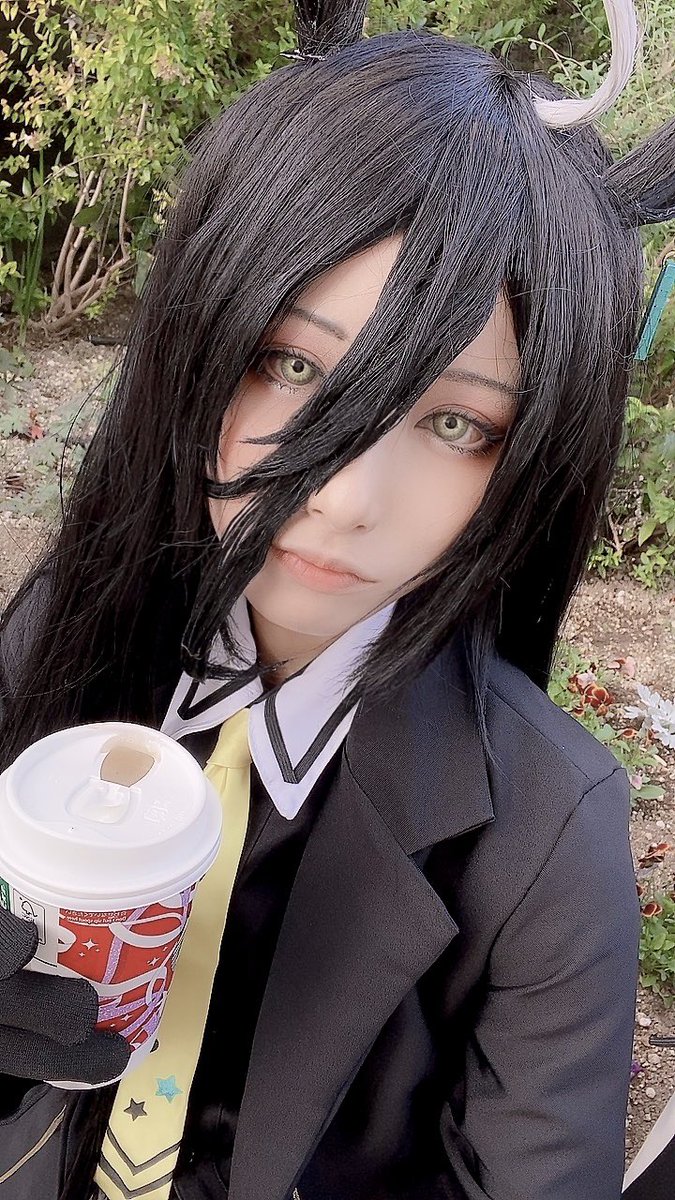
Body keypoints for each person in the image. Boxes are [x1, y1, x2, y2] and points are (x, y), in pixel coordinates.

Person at [0, 1, 673, 1197]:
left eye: (458, 424)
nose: (348, 496)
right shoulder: (60, 637)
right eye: (295, 364)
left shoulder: (543, 839)